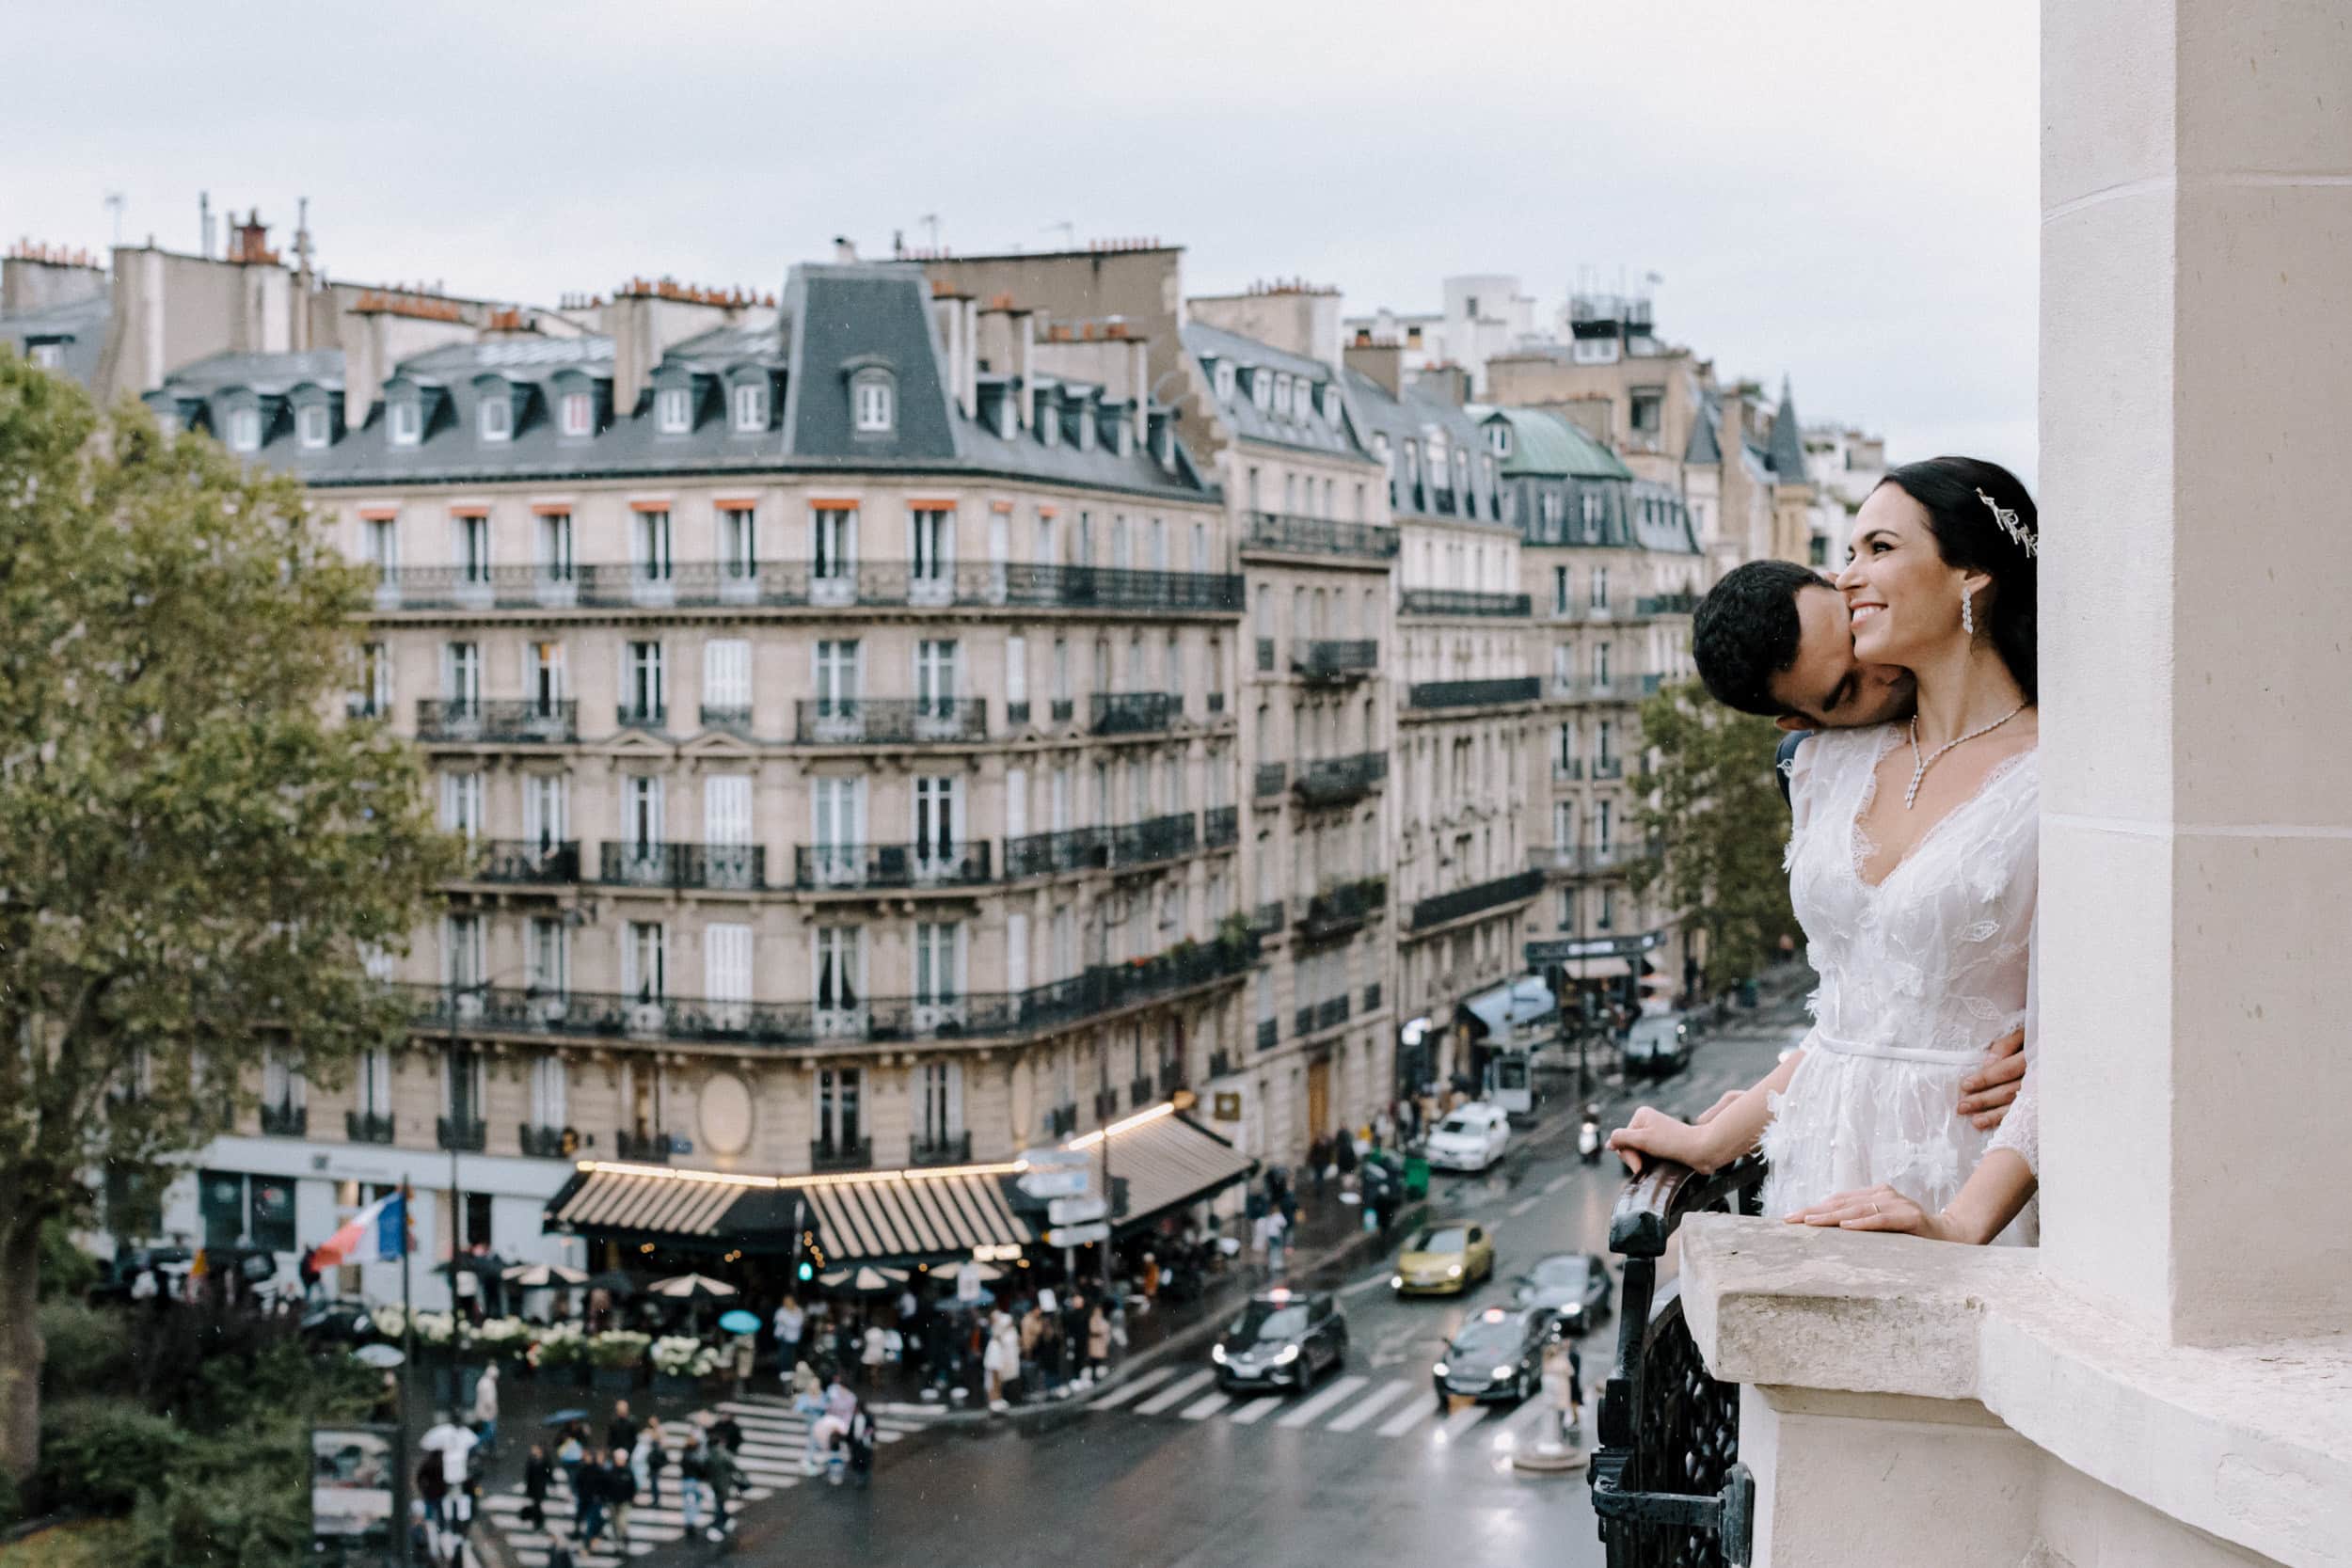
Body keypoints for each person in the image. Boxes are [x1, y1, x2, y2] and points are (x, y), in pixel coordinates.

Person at [1613, 457, 2042, 1244]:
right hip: (1819, 1169)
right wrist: (1715, 1139)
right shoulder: (1826, 767)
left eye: (1876, 548)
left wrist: (1957, 1223)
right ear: (1802, 721)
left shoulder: (2060, 769)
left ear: (1971, 574)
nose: (1851, 580)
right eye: (1850, 552)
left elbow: (2097, 1025)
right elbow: (1850, 1020)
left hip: (1965, 1174)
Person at [676, 1427, 708, 1534]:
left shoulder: (686, 1451)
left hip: (687, 1480)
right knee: (693, 1501)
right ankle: (690, 1522)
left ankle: (690, 1521)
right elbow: (700, 1466)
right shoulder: (695, 1454)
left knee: (689, 1502)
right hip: (693, 1480)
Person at [635, 1415, 665, 1507]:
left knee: (654, 1480)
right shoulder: (649, 1430)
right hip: (648, 1458)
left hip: (656, 1460)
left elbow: (661, 1441)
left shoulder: (660, 1430)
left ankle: (656, 1500)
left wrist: (651, 1433)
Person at [773, 1296, 805, 1382]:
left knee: (792, 1355)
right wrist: (788, 1321)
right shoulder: (781, 1310)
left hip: (794, 1337)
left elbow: (797, 1324)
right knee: (783, 1355)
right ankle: (783, 1372)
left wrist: (787, 1321)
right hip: (783, 1337)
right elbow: (777, 1320)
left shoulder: (798, 1311)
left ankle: (790, 1372)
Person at [470, 1361, 500, 1455]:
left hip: (480, 1412)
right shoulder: (489, 1384)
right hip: (488, 1414)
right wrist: (493, 1411)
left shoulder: (482, 1381)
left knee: (491, 1432)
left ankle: (493, 1450)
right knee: (489, 1433)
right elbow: (489, 1401)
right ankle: (474, 1446)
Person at [522, 1443, 552, 1530]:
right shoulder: (531, 1459)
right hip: (532, 1485)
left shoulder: (545, 1460)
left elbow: (549, 1472)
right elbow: (528, 1472)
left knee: (537, 1505)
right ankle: (538, 1520)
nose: (532, 1450)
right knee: (536, 1505)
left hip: (540, 1486)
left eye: (534, 1449)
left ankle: (538, 1521)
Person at [1086, 1299, 1111, 1384]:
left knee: (1098, 1360)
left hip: (1100, 1343)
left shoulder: (1101, 1319)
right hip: (1095, 1343)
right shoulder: (1093, 1319)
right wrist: (1101, 1331)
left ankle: (1097, 1374)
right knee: (1095, 1360)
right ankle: (1094, 1376)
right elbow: (1093, 1330)